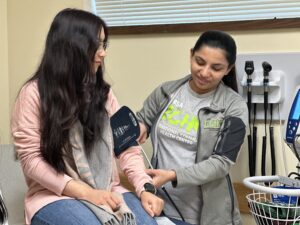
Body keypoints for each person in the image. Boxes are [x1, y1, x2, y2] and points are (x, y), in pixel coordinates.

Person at [11, 8, 163, 225]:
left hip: (106, 189)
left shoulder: (104, 94)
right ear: (72, 47)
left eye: (104, 44)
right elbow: (31, 160)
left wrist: (145, 188)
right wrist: (85, 192)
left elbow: (127, 147)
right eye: (97, 45)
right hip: (53, 195)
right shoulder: (33, 94)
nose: (103, 53)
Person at [136, 30, 248, 225]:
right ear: (191, 55)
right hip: (160, 209)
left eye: (216, 67)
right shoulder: (166, 92)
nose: (205, 73)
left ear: (228, 69)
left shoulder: (234, 107)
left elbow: (221, 163)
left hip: (207, 217)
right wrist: (140, 127)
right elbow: (142, 120)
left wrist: (173, 176)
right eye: (200, 62)